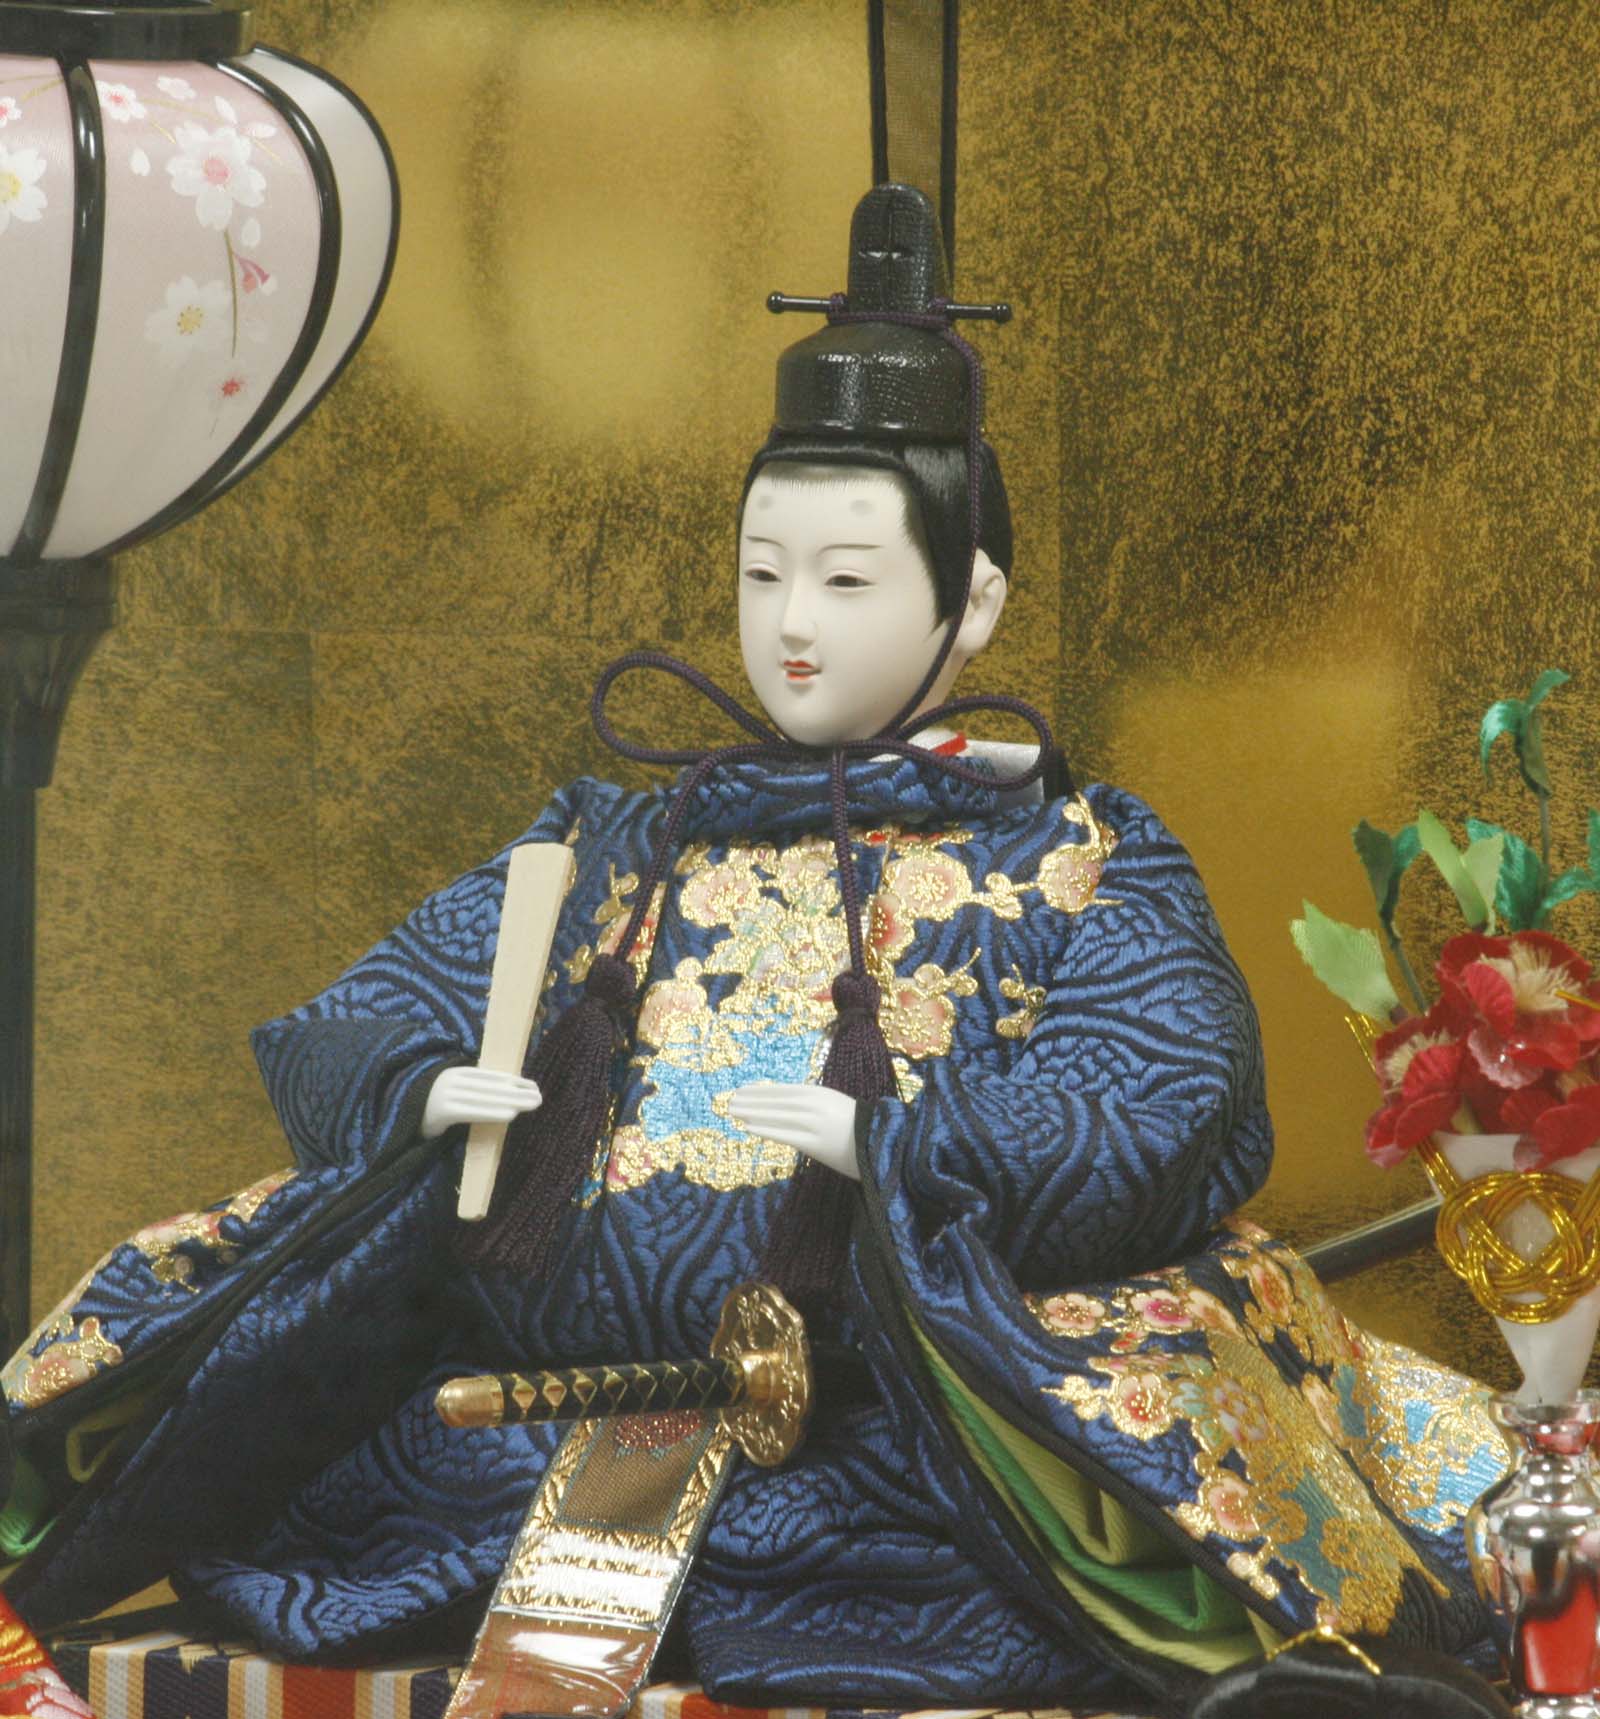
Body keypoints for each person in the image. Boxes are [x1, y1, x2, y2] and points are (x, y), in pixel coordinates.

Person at [0, 187, 1504, 1711]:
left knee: (1118, 1452)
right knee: (298, 1424)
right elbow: (361, 1016)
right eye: (761, 573)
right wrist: (422, 1090)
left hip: (905, 1447)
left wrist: (905, 1145)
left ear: (975, 599)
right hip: (523, 1436)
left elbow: (1170, 1104)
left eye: (846, 580)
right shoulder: (614, 840)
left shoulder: (1073, 857)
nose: (792, 624)